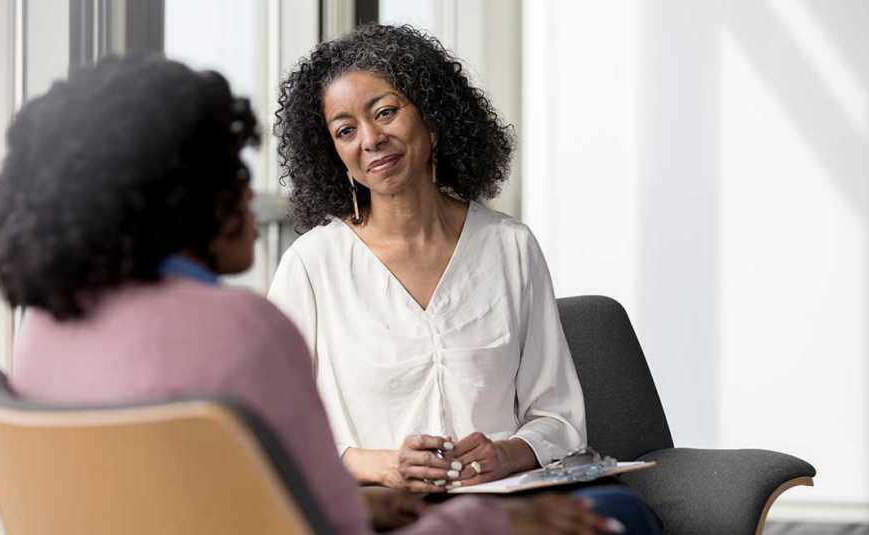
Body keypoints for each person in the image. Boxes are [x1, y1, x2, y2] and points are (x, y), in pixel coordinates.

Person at [0, 54, 629, 534]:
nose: (250, 194)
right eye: (231, 173)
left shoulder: (43, 332)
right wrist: (500, 521)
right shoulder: (242, 329)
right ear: (176, 197)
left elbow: (253, 499)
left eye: (385, 113)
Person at [268, 24, 660, 534]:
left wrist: (506, 453)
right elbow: (276, 430)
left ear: (432, 119)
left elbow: (559, 418)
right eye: (345, 130)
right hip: (388, 509)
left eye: (385, 112)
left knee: (620, 512)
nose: (370, 139)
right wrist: (383, 466)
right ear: (333, 153)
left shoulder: (510, 246)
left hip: (509, 498)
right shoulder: (311, 265)